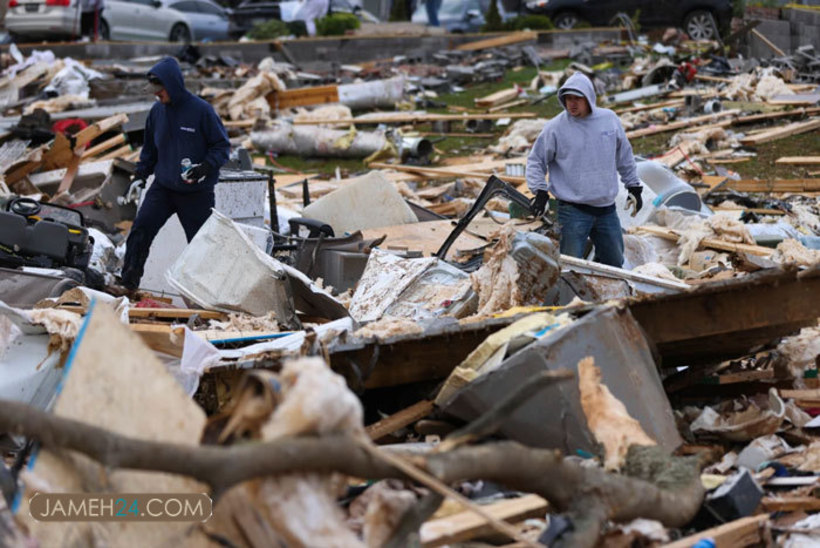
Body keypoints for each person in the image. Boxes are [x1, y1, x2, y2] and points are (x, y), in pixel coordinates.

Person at [119, 57, 230, 291]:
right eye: (154, 92)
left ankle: (208, 293)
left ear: (173, 85)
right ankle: (128, 284)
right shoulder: (156, 113)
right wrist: (140, 176)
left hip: (196, 193)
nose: (157, 96)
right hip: (164, 187)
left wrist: (205, 168)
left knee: (201, 244)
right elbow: (149, 150)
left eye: (160, 91)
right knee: (141, 229)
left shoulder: (201, 111)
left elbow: (221, 146)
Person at [526, 72, 643, 268]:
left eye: (577, 98)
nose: (572, 103)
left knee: (614, 263)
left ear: (588, 97)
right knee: (571, 266)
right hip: (573, 211)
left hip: (606, 210)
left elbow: (624, 155)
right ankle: (572, 298)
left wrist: (633, 186)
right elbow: (536, 160)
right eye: (568, 98)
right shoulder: (555, 128)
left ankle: (605, 296)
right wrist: (539, 191)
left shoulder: (609, 120)